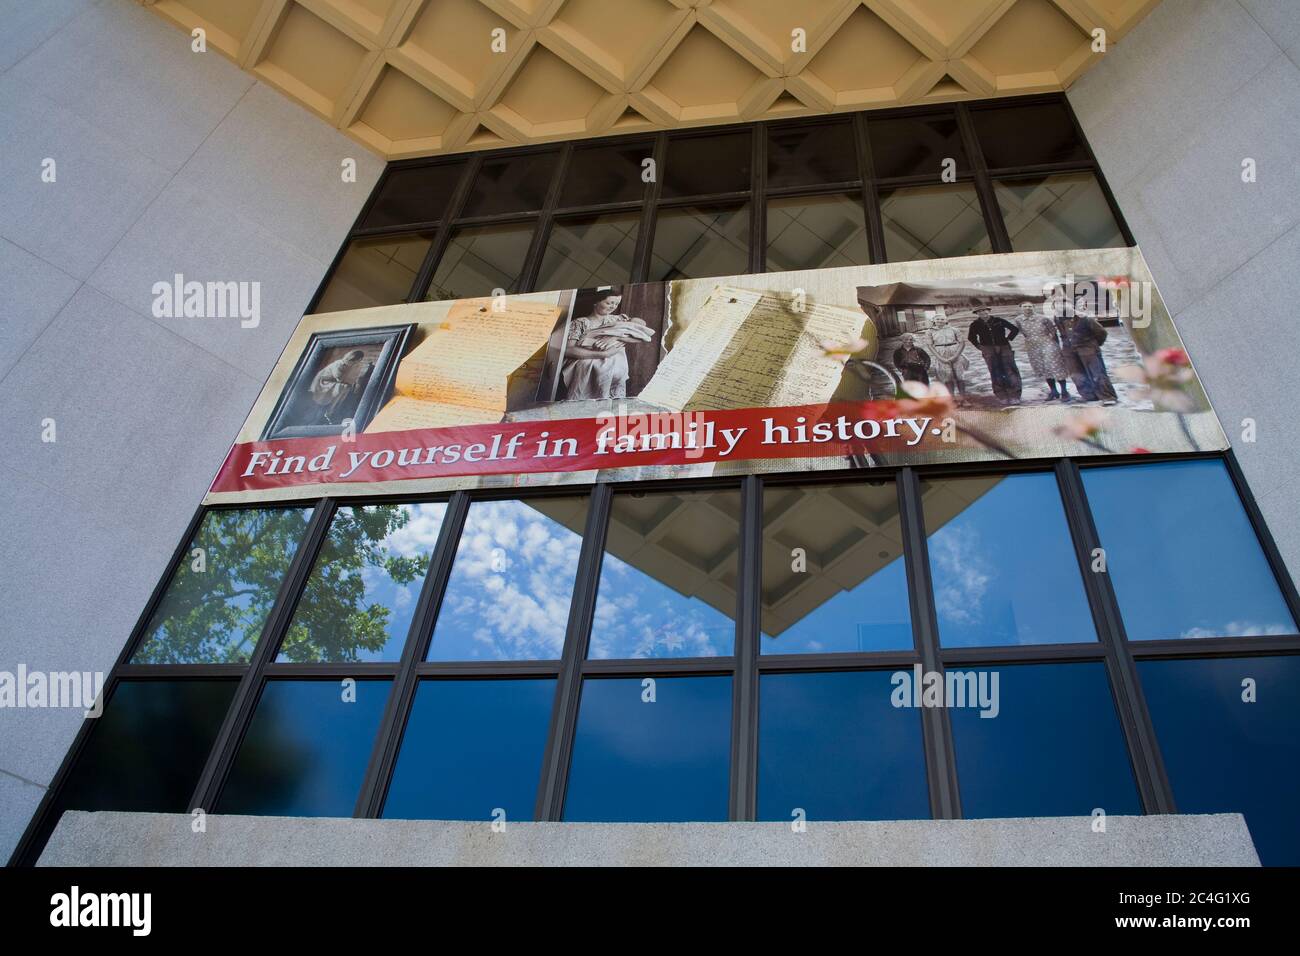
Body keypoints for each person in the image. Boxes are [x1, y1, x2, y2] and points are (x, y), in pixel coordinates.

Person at [561, 288, 655, 400]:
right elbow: (568, 349)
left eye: (616, 304)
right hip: (589, 361)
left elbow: (641, 325)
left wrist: (615, 337)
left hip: (616, 365)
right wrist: (604, 354)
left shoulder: (618, 319)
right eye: (609, 303)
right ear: (596, 302)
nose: (613, 307)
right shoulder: (580, 322)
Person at [1051, 286, 1117, 402]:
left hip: (1088, 349)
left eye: (1064, 304)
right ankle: (1089, 397)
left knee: (1097, 374)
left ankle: (1108, 397)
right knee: (1077, 376)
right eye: (1057, 305)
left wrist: (1093, 346)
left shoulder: (1085, 318)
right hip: (1069, 351)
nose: (1061, 307)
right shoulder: (1058, 318)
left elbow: (1102, 333)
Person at [1015, 301, 1071, 401]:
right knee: (1043, 368)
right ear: (1021, 308)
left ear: (1034, 307)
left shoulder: (1043, 318)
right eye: (1025, 306)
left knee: (1055, 366)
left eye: (1030, 306)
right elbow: (1021, 332)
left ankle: (1064, 391)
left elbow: (1053, 332)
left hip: (1048, 343)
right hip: (1032, 346)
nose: (1028, 308)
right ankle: (1053, 391)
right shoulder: (1018, 320)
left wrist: (1056, 346)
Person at [966, 306, 1022, 403]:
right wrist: (980, 347)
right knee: (995, 371)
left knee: (1010, 370)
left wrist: (1008, 339)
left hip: (1004, 347)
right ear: (977, 313)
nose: (983, 312)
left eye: (984, 310)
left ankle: (1015, 395)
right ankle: (1002, 395)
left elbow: (1014, 329)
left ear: (988, 311)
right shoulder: (975, 324)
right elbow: (971, 337)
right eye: (980, 311)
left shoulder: (999, 320)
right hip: (988, 349)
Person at [309, 349, 372, 425]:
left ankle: (332, 409)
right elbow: (339, 378)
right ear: (352, 359)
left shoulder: (347, 365)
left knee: (347, 387)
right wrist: (349, 383)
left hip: (332, 381)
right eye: (356, 361)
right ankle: (330, 411)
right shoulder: (339, 364)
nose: (355, 363)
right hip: (323, 382)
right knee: (344, 387)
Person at [926, 313, 968, 396]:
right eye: (937, 319)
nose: (940, 321)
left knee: (960, 376)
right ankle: (952, 398)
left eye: (942, 319)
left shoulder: (954, 329)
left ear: (946, 321)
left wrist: (956, 355)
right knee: (947, 377)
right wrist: (940, 358)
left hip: (955, 352)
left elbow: (962, 343)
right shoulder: (930, 331)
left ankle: (963, 398)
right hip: (940, 354)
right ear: (933, 321)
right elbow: (930, 345)